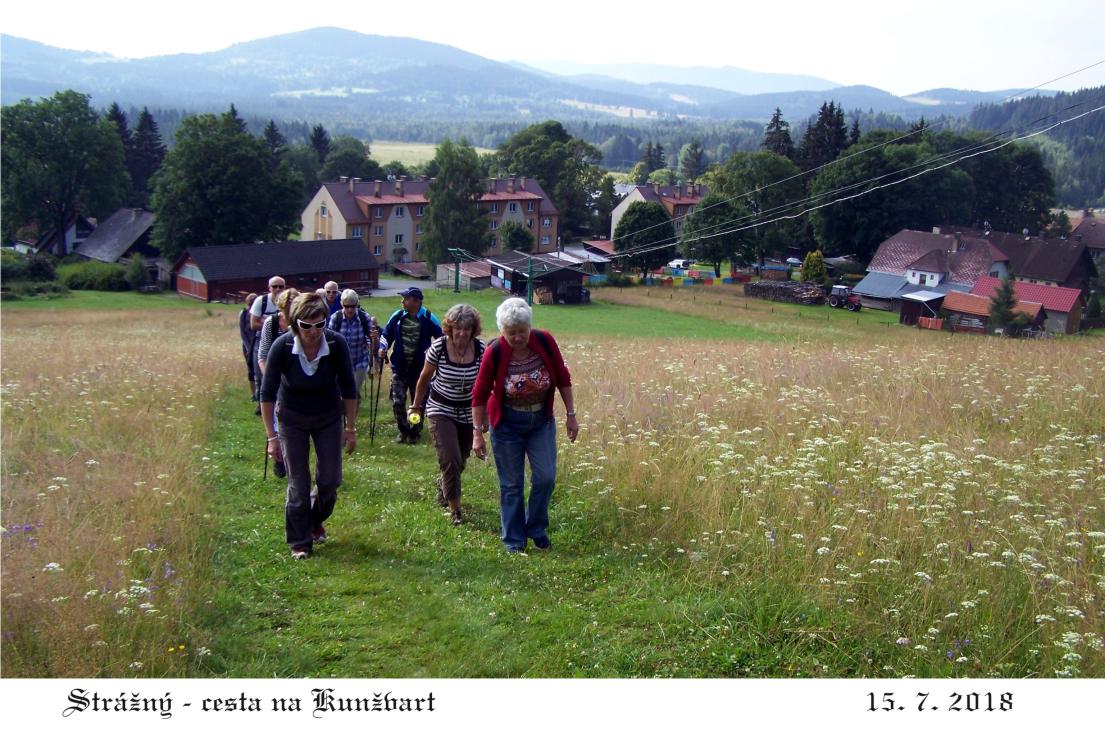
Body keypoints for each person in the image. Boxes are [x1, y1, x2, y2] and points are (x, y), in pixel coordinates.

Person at [472, 297, 578, 553]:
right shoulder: (494, 351)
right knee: (512, 484)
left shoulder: (544, 341)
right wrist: (477, 433)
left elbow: (562, 376)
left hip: (540, 421)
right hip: (507, 424)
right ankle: (514, 540)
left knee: (546, 477)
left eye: (522, 331)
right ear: (502, 332)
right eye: (512, 333)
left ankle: (536, 527)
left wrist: (571, 414)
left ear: (529, 327)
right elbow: (480, 391)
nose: (518, 337)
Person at [260, 292, 358, 560]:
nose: (314, 332)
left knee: (329, 480)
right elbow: (267, 394)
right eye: (306, 326)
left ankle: (314, 521)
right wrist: (272, 437)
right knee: (298, 482)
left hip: (327, 417)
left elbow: (349, 388)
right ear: (295, 324)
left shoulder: (336, 345)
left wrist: (350, 428)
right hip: (292, 419)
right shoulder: (281, 347)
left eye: (319, 325)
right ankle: (300, 541)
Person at [411, 304, 485, 526]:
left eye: (467, 329)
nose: (461, 333)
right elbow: (424, 378)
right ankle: (455, 511)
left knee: (461, 460)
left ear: (473, 330)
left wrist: (485, 417)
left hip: (467, 411)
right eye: (457, 328)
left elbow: (484, 387)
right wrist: (416, 406)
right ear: (449, 328)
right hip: (440, 408)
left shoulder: (481, 351)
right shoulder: (439, 347)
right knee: (450, 459)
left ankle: (443, 484)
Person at [379, 287, 442, 444]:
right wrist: (382, 348)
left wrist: (431, 351)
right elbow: (386, 334)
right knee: (397, 401)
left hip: (421, 371)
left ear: (416, 301)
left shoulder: (428, 317)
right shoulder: (398, 316)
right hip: (399, 368)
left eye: (406, 298)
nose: (402, 301)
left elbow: (441, 339)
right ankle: (403, 430)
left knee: (418, 403)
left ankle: (415, 432)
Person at [328, 289, 385, 412]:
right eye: (347, 306)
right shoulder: (336, 318)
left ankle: (350, 422)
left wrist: (375, 338)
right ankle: (339, 420)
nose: (350, 309)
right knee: (338, 394)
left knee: (353, 393)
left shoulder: (364, 318)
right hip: (340, 363)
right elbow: (330, 341)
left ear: (357, 304)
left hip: (360, 361)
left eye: (353, 306)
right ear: (342, 304)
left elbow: (373, 343)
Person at [239, 293, 260, 411]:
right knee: (250, 369)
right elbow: (242, 332)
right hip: (247, 344)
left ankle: (258, 394)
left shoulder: (259, 314)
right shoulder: (243, 313)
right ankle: (253, 394)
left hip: (258, 343)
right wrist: (248, 348)